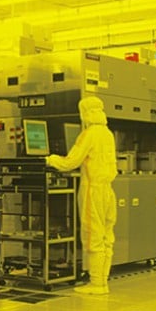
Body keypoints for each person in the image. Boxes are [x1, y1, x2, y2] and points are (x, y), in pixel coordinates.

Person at [45, 96, 117, 295]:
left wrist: (50, 160)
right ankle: (102, 281)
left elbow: (71, 162)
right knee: (106, 237)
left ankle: (96, 284)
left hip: (93, 191)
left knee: (93, 235)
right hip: (108, 190)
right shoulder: (108, 134)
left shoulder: (89, 134)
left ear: (86, 113)